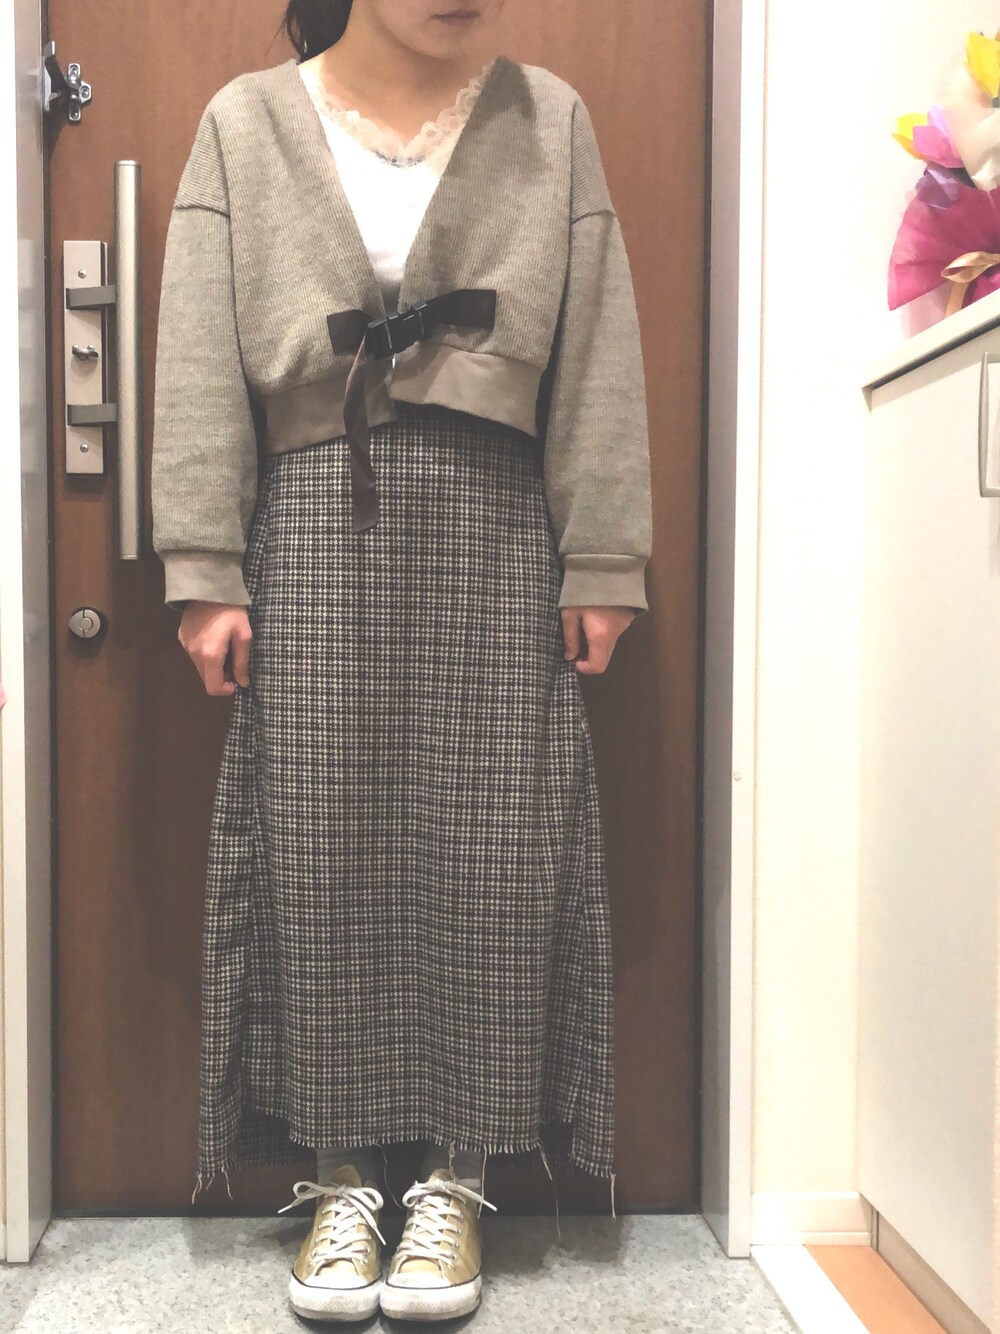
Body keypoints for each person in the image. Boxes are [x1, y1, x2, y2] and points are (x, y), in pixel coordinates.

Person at [150, 0, 652, 1322]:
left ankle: (456, 1177)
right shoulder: (246, 124)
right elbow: (196, 348)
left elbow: (598, 348)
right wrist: (202, 564)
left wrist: (605, 556)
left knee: (489, 846)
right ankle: (335, 1174)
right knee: (320, 844)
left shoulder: (549, 119)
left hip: (500, 521)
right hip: (311, 519)